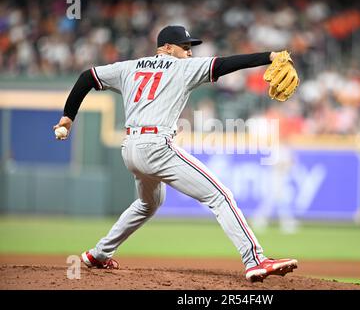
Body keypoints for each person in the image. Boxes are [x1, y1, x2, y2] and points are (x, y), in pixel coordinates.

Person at [53, 25, 297, 282]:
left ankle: (98, 254)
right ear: (167, 48)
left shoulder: (128, 67)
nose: (189, 53)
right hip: (157, 146)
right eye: (185, 47)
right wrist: (269, 56)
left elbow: (87, 77)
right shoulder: (182, 68)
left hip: (131, 150)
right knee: (220, 196)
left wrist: (68, 117)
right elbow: (226, 64)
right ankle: (255, 260)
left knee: (149, 203)